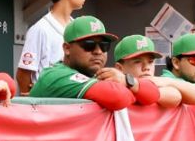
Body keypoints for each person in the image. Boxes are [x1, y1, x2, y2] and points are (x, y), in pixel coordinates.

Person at [29, 16, 159, 110]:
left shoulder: (93, 75)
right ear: (67, 48)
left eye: (104, 46)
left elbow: (154, 95)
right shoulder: (56, 75)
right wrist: (133, 89)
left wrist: (126, 81)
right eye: (89, 45)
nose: (98, 51)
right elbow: (119, 97)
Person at [16, 0, 95, 95]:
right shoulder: (40, 29)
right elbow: (23, 74)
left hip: (74, 96)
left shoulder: (76, 26)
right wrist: (32, 102)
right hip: (50, 101)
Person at [113, 35, 186, 108]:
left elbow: (176, 96)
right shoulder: (113, 88)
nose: (146, 67)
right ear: (119, 68)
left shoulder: (159, 85)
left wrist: (138, 87)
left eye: (150, 62)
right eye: (137, 62)